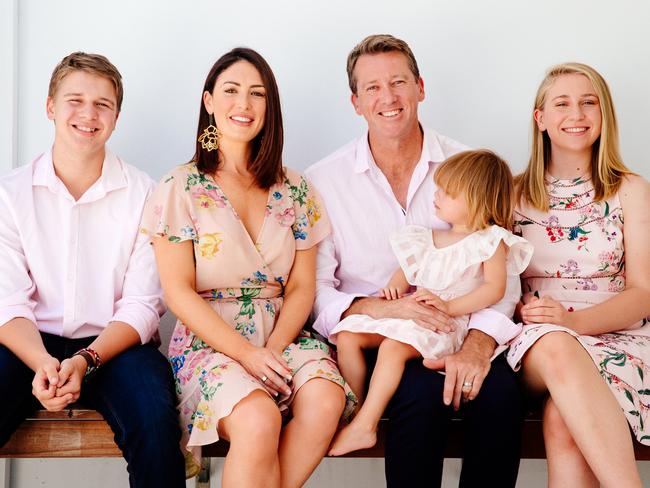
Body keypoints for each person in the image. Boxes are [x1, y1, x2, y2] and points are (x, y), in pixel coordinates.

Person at [306, 34, 524, 487]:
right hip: (379, 337)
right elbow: (318, 290)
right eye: (372, 88)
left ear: (420, 88)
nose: (388, 97)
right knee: (421, 399)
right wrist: (387, 309)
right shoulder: (323, 181)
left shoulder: (469, 165)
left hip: (463, 328)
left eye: (399, 82)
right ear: (355, 102)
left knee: (500, 396)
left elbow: (503, 275)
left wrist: (477, 346)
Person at [141, 47, 356, 488]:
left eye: (257, 94)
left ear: (269, 107)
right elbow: (177, 292)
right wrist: (248, 356)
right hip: (211, 341)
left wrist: (272, 350)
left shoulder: (296, 187)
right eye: (232, 91)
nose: (244, 104)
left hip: (283, 333)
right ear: (209, 102)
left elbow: (300, 287)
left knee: (325, 399)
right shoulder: (178, 186)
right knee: (258, 419)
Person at [0, 52, 185, 487]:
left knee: (156, 421)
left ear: (117, 117)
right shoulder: (10, 194)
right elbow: (8, 301)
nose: (88, 114)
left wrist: (84, 360)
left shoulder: (146, 193)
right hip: (27, 343)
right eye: (74, 100)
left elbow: (142, 304)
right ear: (50, 107)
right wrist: (43, 363)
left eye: (103, 104)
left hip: (113, 346)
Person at [327, 149, 533, 456]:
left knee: (392, 348)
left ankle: (366, 425)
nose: (436, 196)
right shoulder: (426, 237)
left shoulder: (491, 242)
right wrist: (394, 290)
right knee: (347, 336)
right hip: (414, 313)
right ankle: (350, 411)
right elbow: (404, 273)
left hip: (446, 324)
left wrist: (449, 307)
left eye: (447, 193)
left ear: (476, 201)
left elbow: (494, 290)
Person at [507, 62, 650, 487]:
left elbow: (643, 292)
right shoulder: (511, 193)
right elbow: (491, 280)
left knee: (561, 420)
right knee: (556, 345)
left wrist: (574, 322)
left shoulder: (630, 189)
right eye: (562, 104)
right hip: (541, 340)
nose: (577, 114)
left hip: (620, 333)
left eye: (589, 103)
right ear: (541, 119)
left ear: (604, 114)